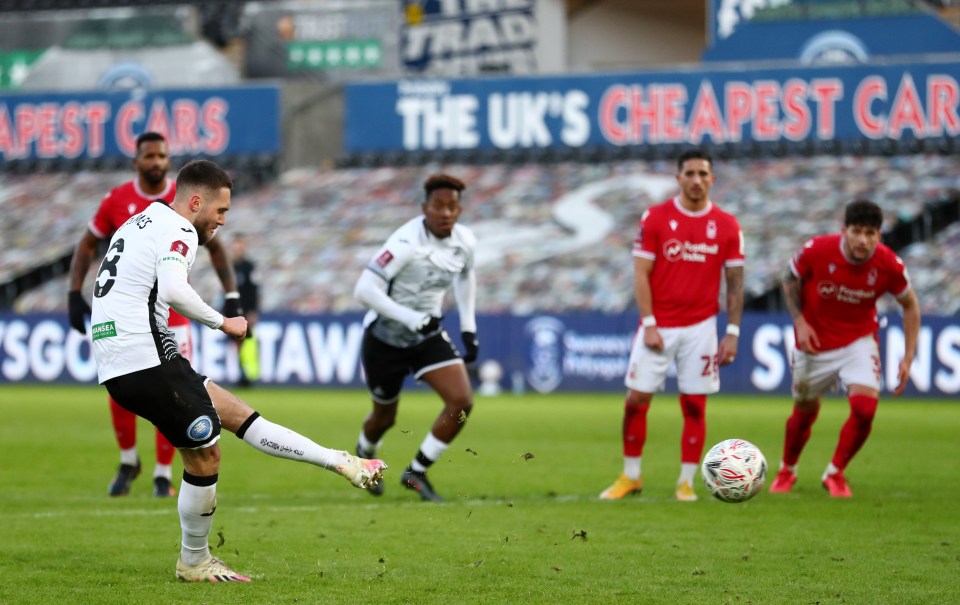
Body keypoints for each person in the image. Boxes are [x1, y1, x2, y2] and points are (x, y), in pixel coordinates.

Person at [89, 159, 387, 582]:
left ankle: (340, 461)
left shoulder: (144, 219)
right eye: (221, 211)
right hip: (143, 356)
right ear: (196, 201)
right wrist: (223, 321)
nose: (223, 221)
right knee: (206, 455)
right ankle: (194, 560)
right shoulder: (179, 229)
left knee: (236, 414)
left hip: (126, 355)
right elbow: (173, 289)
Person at [68, 131, 243, 499]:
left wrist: (231, 295)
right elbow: (88, 244)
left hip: (172, 314)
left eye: (162, 156)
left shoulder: (182, 204)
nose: (156, 162)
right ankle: (129, 460)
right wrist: (73, 291)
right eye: (149, 156)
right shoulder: (117, 201)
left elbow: (216, 249)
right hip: (132, 315)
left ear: (168, 160)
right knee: (131, 385)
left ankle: (164, 473)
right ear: (137, 162)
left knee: (176, 393)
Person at [600, 149, 745, 502]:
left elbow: (736, 283)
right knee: (636, 400)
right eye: (690, 173)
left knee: (694, 404)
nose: (696, 180)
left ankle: (686, 482)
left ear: (712, 179)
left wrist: (733, 332)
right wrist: (649, 323)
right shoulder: (656, 218)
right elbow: (641, 273)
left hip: (701, 328)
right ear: (678, 178)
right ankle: (631, 476)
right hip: (659, 324)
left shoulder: (727, 225)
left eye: (703, 174)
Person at [769, 199, 920, 498]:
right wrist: (799, 321)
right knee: (804, 413)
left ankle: (835, 473)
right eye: (856, 232)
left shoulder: (889, 264)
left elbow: (910, 305)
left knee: (865, 410)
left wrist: (909, 355)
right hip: (814, 343)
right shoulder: (817, 250)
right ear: (844, 231)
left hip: (858, 341)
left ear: (879, 235)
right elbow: (788, 278)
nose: (863, 240)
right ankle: (788, 468)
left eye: (870, 233)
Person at [353, 173, 479, 503]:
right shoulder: (405, 243)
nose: (446, 213)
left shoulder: (465, 241)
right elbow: (363, 289)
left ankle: (416, 472)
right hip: (384, 339)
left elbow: (466, 277)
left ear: (460, 210)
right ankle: (366, 452)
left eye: (452, 207)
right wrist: (412, 318)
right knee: (384, 418)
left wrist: (469, 327)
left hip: (427, 336)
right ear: (425, 208)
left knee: (462, 403)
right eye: (439, 206)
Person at [230, 233, 260, 387]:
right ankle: (242, 374)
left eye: (240, 245)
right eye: (236, 245)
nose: (238, 248)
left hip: (246, 311)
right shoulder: (229, 267)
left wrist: (253, 310)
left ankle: (247, 375)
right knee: (237, 344)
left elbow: (254, 290)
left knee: (246, 343)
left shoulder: (249, 267)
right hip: (233, 310)